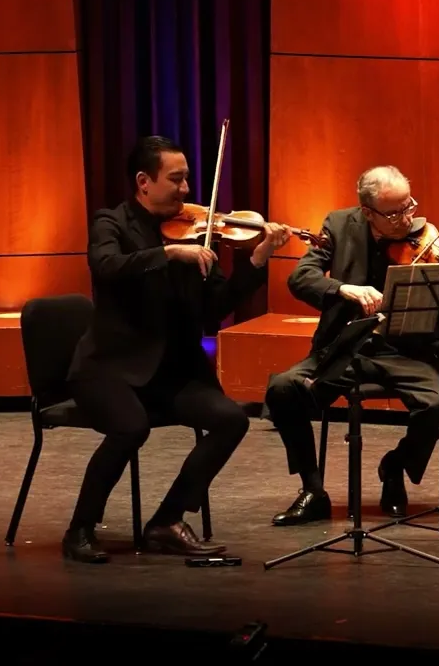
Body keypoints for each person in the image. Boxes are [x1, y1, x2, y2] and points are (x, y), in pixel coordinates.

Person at [63, 136, 293, 564]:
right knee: (131, 428)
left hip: (169, 373)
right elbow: (106, 266)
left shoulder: (197, 230)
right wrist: (169, 254)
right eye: (176, 179)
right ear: (143, 181)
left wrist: (259, 258)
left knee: (230, 420)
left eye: (187, 178)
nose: (186, 189)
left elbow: (214, 310)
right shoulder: (111, 222)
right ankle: (79, 528)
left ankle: (166, 521)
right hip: (109, 368)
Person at [264, 165, 439, 525]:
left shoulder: (422, 238)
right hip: (346, 347)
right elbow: (301, 278)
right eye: (394, 213)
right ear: (367, 212)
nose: (407, 219)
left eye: (409, 206)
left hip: (405, 351)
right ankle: (313, 490)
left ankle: (395, 466)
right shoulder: (339, 225)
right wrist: (343, 288)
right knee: (282, 389)